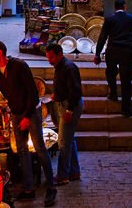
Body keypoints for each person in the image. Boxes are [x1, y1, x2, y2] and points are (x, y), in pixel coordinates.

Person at [0, 41, 57, 206]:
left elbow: (33, 94)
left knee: (39, 148)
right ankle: (28, 188)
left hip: (31, 111)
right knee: (22, 150)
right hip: (17, 113)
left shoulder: (19, 66)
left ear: (0, 53)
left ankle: (51, 187)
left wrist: (26, 117)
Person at [94, 0, 132, 117]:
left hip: (112, 51)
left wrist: (97, 54)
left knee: (110, 73)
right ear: (124, 7)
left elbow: (102, 37)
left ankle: (113, 93)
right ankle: (126, 110)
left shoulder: (109, 19)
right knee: (126, 81)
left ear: (115, 7)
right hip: (127, 52)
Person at [45, 43, 83, 185]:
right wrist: (57, 95)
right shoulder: (60, 66)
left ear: (60, 54)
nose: (50, 60)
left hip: (70, 106)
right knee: (69, 140)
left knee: (63, 143)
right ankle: (74, 171)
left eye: (52, 57)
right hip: (65, 104)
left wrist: (69, 110)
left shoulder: (68, 67)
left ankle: (63, 176)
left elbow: (75, 91)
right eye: (48, 57)